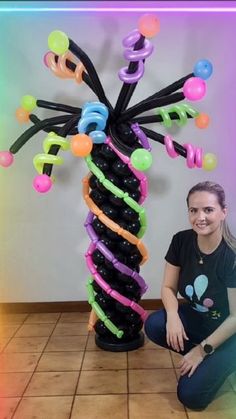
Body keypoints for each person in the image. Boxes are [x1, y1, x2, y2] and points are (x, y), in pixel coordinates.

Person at [144, 181, 236, 410]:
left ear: (224, 212)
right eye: (193, 210)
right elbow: (167, 288)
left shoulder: (231, 256)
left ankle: (220, 360)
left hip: (231, 331)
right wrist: (173, 316)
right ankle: (211, 360)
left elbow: (235, 317)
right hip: (203, 321)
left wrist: (201, 349)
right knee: (156, 324)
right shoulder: (181, 241)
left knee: (191, 397)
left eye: (208, 210)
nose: (200, 217)